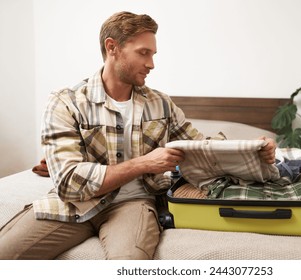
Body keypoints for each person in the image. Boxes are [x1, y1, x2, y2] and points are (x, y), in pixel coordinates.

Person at [0, 11, 276, 260]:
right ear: (112, 48)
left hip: (133, 205)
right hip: (72, 205)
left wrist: (254, 147)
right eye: (144, 53)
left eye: (153, 54)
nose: (152, 63)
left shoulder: (161, 103)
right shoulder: (66, 101)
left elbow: (200, 146)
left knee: (128, 267)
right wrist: (145, 163)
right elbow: (69, 183)